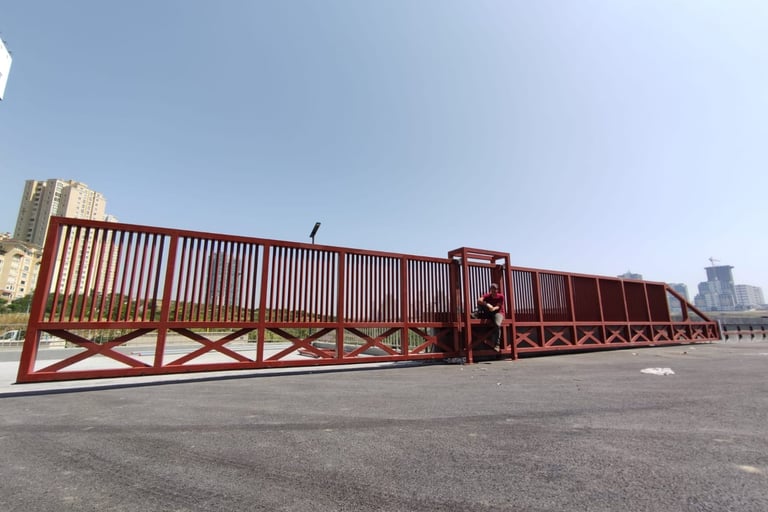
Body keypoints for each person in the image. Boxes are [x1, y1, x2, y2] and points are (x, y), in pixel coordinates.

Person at [477, 283, 505, 347]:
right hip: (489, 312)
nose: (494, 292)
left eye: (495, 290)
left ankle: (497, 344)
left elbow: (498, 306)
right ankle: (476, 313)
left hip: (498, 312)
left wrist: (493, 308)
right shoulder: (487, 296)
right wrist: (486, 304)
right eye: (492, 290)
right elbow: (479, 300)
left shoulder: (501, 296)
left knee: (497, 324)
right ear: (490, 290)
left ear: (497, 290)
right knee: (482, 303)